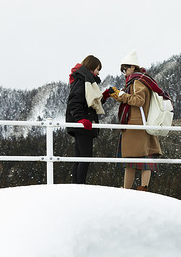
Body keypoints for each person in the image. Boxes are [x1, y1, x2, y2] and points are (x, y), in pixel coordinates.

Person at [108, 50, 167, 191]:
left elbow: (139, 101)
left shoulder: (136, 82)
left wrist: (121, 96)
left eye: (125, 69)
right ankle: (143, 189)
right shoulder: (143, 79)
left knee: (131, 161)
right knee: (144, 160)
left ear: (132, 67)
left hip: (135, 125)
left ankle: (127, 190)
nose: (125, 73)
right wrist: (119, 95)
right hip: (143, 124)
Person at [65, 55, 108, 184]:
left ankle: (77, 184)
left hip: (83, 123)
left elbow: (89, 102)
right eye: (97, 69)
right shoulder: (82, 80)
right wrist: (81, 120)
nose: (98, 72)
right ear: (91, 67)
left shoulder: (85, 79)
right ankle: (80, 185)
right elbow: (75, 102)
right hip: (83, 125)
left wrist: (104, 97)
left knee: (80, 157)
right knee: (85, 156)